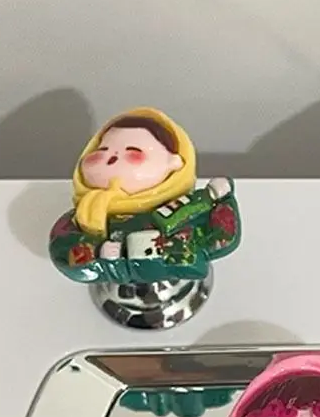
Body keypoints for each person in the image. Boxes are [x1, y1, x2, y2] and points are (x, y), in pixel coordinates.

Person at [48, 107, 240, 284]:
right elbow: (63, 251)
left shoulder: (188, 207)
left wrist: (221, 197)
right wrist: (104, 260)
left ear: (174, 163)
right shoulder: (83, 216)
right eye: (102, 150)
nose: (112, 158)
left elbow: (221, 240)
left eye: (132, 152)